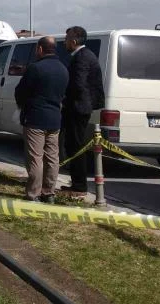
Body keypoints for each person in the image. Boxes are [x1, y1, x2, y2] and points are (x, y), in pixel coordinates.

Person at [14, 37, 69, 203]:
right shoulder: (63, 69)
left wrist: (23, 105)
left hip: (35, 118)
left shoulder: (35, 68)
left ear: (40, 49)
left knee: (35, 158)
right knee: (52, 158)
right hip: (54, 119)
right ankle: (49, 192)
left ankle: (33, 193)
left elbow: (21, 92)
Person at [61, 26, 105, 196]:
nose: (64, 42)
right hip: (80, 106)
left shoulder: (82, 57)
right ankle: (76, 183)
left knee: (75, 146)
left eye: (66, 39)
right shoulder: (83, 55)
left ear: (74, 41)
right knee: (73, 145)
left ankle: (79, 186)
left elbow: (77, 84)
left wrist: (64, 100)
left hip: (78, 107)